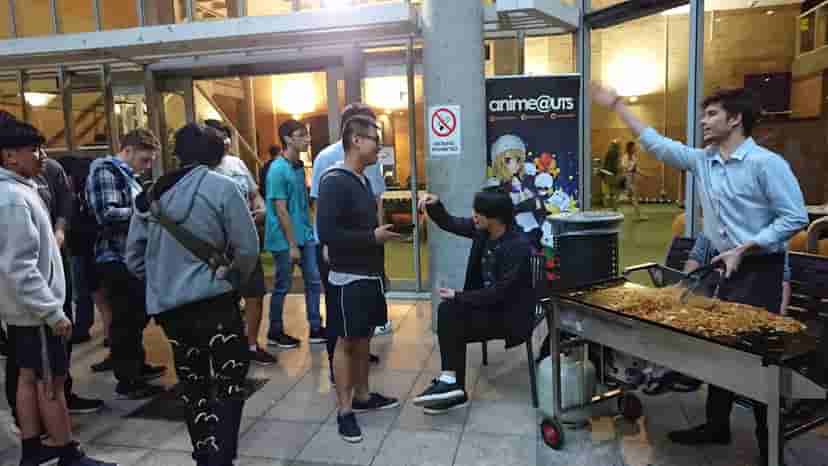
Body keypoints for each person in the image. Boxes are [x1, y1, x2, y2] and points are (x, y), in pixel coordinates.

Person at [592, 83, 808, 466]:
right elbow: (657, 145)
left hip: (760, 270)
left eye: (712, 114)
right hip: (723, 266)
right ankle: (716, 424)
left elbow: (794, 217)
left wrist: (748, 247)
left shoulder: (766, 164)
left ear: (736, 118)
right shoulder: (702, 161)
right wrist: (619, 106)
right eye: (704, 114)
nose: (704, 121)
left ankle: (768, 447)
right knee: (717, 349)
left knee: (753, 360)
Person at [127, 123, 259, 466]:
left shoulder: (149, 195)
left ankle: (203, 454)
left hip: (173, 312)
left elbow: (133, 258)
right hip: (216, 303)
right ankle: (222, 458)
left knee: (192, 383)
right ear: (217, 155)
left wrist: (164, 281)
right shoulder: (224, 188)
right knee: (230, 382)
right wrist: (233, 278)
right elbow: (247, 248)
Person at [0, 112, 115, 466]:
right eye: (34, 149)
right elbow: (19, 265)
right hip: (34, 312)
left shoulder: (16, 191)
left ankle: (33, 449)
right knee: (51, 380)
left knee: (27, 376)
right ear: (9, 155)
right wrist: (52, 311)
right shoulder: (13, 199)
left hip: (22, 311)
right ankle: (68, 453)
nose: (41, 156)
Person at [317, 114, 401, 443]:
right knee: (345, 341)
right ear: (355, 140)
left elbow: (365, 230)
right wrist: (372, 237)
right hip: (347, 277)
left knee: (365, 337)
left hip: (368, 275)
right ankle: (344, 410)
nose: (378, 146)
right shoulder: (334, 180)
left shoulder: (362, 179)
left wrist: (382, 271)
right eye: (374, 140)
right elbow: (327, 233)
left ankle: (364, 396)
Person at [411, 190, 534, 414]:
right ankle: (451, 383)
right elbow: (449, 222)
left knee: (452, 314)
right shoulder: (483, 231)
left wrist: (460, 296)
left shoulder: (517, 247)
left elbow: (500, 293)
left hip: (509, 317)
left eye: (478, 213)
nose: (473, 217)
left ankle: (452, 386)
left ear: (494, 218)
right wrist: (435, 205)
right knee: (448, 311)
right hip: (489, 308)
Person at [86, 129, 167, 399]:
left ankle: (136, 367)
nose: (146, 166)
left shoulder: (126, 175)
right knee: (125, 320)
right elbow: (106, 213)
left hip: (128, 257)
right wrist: (145, 212)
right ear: (128, 150)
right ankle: (128, 379)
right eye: (144, 160)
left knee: (134, 317)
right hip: (115, 257)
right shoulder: (105, 171)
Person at [310, 103, 393, 344]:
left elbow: (376, 201)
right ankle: (340, 373)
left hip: (367, 247)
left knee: (360, 322)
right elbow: (320, 208)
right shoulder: (326, 159)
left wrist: (377, 243)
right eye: (371, 134)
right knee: (339, 317)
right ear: (354, 134)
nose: (377, 143)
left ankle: (359, 363)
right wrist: (326, 244)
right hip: (336, 251)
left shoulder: (370, 163)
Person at [203, 120, 276, 366]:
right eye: (218, 138)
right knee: (225, 298)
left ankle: (252, 344)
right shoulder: (202, 172)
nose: (224, 143)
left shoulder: (236, 163)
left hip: (246, 237)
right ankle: (225, 347)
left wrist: (261, 208)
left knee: (255, 293)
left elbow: (254, 194)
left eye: (225, 137)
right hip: (219, 246)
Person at [264, 119, 325, 349]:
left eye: (307, 135)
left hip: (305, 235)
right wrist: (291, 244)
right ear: (288, 139)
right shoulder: (277, 169)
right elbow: (281, 209)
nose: (308, 139)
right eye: (302, 135)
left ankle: (316, 327)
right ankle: (275, 331)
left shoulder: (298, 167)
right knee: (282, 284)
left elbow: (300, 205)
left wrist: (309, 234)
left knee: (313, 281)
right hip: (284, 239)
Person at [622, 141, 647, 221]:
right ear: (630, 148)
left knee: (633, 198)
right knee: (633, 198)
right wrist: (630, 170)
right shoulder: (625, 157)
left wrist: (644, 174)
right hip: (627, 180)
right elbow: (625, 168)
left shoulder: (634, 157)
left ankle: (638, 215)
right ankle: (639, 215)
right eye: (634, 147)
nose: (635, 148)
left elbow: (636, 169)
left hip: (631, 180)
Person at [600, 141, 622, 210]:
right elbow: (616, 165)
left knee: (607, 192)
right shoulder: (617, 153)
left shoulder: (609, 152)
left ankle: (608, 207)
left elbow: (606, 164)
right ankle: (613, 207)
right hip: (612, 173)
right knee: (613, 191)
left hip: (607, 173)